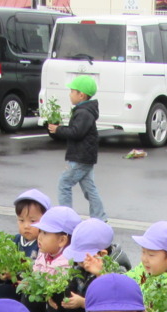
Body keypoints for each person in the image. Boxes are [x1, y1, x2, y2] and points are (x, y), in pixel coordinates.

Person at [47, 75, 105, 221]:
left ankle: (66, 217)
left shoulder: (84, 112)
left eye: (72, 91)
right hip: (85, 157)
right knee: (89, 188)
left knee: (64, 184)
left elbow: (76, 132)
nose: (70, 94)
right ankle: (99, 217)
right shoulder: (85, 110)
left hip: (80, 157)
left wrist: (58, 130)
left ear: (81, 95)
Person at [128, 220, 167, 288]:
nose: (144, 259)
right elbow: (124, 280)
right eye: (143, 252)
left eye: (151, 255)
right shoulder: (144, 268)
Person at [14, 188, 52, 260]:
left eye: (32, 221)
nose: (26, 226)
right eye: (21, 220)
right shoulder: (15, 240)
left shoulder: (44, 245)